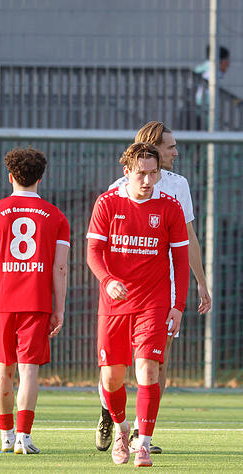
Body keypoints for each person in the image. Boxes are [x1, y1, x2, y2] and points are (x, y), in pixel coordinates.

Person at [95, 121, 211, 454]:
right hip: (121, 295)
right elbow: (101, 246)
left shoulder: (179, 186)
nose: (176, 152)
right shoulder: (117, 189)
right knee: (114, 370)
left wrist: (200, 283)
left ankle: (143, 435)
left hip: (163, 290)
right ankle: (112, 417)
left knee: (156, 363)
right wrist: (110, 280)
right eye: (170, 146)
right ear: (151, 150)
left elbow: (188, 239)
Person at [86, 142, 190, 467]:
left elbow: (181, 261)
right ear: (126, 171)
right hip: (114, 304)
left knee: (147, 370)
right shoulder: (107, 204)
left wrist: (179, 305)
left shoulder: (170, 207)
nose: (147, 180)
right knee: (112, 378)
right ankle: (120, 428)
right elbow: (92, 253)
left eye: (153, 173)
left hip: (153, 302)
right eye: (141, 173)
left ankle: (143, 444)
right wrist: (108, 280)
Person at [0, 147, 69, 455]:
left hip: (1, 302)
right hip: (37, 302)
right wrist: (60, 308)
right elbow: (61, 267)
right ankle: (24, 439)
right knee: (29, 371)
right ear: (41, 177)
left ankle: (5, 436)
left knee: (5, 370)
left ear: (11, 176)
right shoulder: (56, 216)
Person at [188, 45, 231, 130]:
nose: (229, 64)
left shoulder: (202, 67)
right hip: (201, 107)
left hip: (192, 106)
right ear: (221, 61)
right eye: (227, 60)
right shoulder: (213, 70)